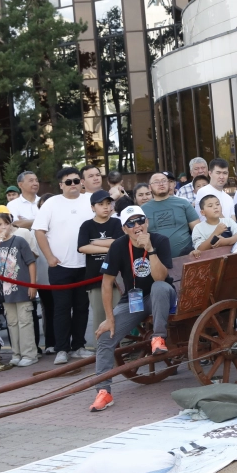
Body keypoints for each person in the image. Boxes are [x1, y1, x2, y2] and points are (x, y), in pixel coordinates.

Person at [89, 205, 176, 412]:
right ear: (124, 228)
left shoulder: (160, 240)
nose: (136, 226)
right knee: (104, 336)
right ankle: (103, 391)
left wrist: (150, 250)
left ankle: (158, 337)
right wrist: (109, 318)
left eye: (140, 221)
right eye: (131, 223)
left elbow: (160, 277)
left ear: (146, 222)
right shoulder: (118, 246)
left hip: (162, 296)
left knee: (159, 287)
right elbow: (106, 283)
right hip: (135, 300)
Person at [34, 166, 94, 365]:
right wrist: (49, 257)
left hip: (86, 264)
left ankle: (78, 346)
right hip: (60, 265)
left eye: (76, 181)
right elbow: (39, 232)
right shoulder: (51, 203)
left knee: (82, 307)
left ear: (82, 182)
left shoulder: (90, 200)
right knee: (61, 308)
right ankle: (62, 349)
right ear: (61, 185)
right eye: (68, 182)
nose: (73, 185)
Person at [0, 211, 38, 367]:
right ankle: (16, 353)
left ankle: (29, 354)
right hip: (5, 291)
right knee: (12, 322)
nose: (3, 227)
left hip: (22, 287)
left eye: (6, 224)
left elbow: (31, 263)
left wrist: (32, 284)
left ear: (11, 225)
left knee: (25, 321)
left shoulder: (19, 241)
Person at [78, 191, 125, 332]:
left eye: (108, 203)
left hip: (117, 277)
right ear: (93, 207)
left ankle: (123, 349)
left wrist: (97, 243)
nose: (105, 207)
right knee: (100, 316)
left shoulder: (117, 223)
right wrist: (109, 248)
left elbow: (120, 242)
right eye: (101, 204)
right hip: (95, 277)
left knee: (120, 314)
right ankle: (102, 350)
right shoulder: (86, 226)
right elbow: (83, 247)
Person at [142, 171, 199, 256]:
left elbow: (198, 230)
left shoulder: (183, 203)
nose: (161, 184)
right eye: (156, 182)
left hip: (186, 257)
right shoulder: (142, 210)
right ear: (149, 188)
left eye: (164, 181)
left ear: (169, 184)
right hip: (157, 260)